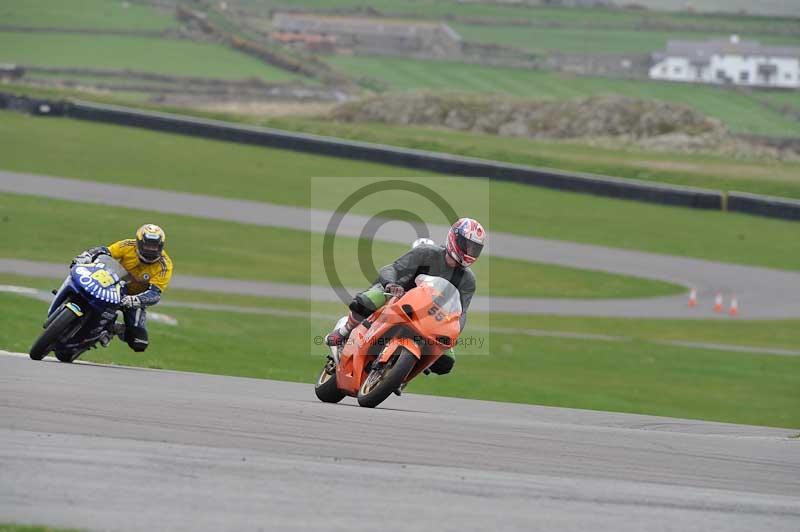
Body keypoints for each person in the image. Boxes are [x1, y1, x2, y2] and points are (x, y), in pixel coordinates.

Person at [325, 217, 486, 376]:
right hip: (398, 296)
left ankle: (405, 372)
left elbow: (461, 313)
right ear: (454, 238)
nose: (470, 252)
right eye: (467, 245)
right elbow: (392, 268)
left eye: (475, 249)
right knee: (367, 300)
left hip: (431, 317)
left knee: (446, 362)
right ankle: (343, 332)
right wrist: (391, 284)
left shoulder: (468, 280)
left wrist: (455, 332)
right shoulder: (426, 253)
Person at [71, 224, 173, 353]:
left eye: (154, 246)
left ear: (161, 246)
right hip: (113, 284)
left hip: (135, 298)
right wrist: (86, 256)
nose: (150, 250)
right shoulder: (128, 245)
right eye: (147, 245)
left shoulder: (165, 265)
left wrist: (134, 300)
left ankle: (113, 329)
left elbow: (155, 294)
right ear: (139, 243)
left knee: (139, 342)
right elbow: (105, 251)